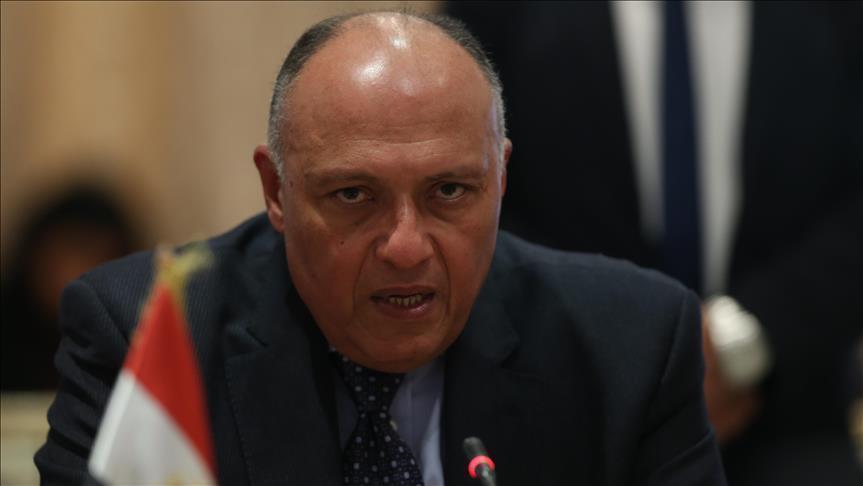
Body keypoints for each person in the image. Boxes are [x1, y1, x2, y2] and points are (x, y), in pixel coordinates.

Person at [35, 11, 727, 485]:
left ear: (501, 179)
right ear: (276, 190)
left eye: (449, 191)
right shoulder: (150, 338)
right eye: (353, 195)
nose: (405, 246)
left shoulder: (631, 345)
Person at [446, 2, 863, 485]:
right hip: (562, 399)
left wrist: (742, 338)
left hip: (784, 405)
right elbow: (473, 194)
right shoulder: (508, 14)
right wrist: (627, 345)